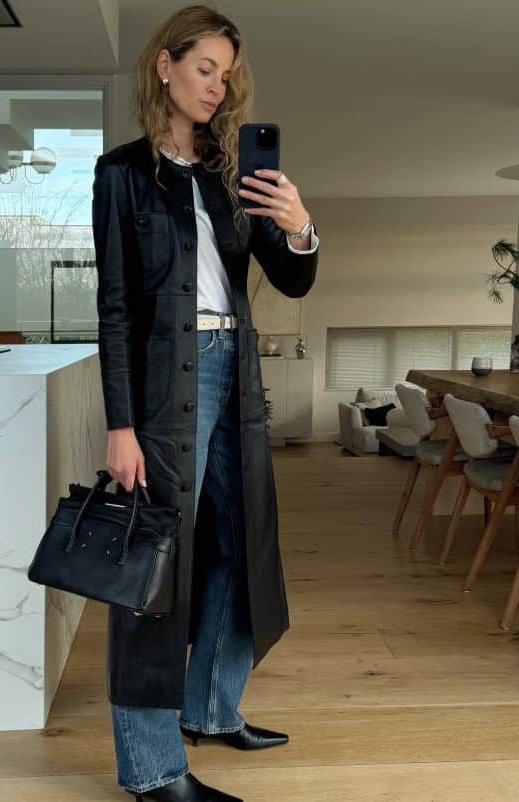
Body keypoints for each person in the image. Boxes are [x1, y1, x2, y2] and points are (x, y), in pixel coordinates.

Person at [91, 5, 319, 801]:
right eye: (203, 68)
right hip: (163, 386)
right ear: (165, 66)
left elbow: (290, 279)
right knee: (152, 566)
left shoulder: (233, 174)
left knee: (239, 543)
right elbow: (114, 308)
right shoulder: (121, 174)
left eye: (226, 75)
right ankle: (151, 769)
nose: (217, 87)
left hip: (236, 371)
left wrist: (297, 226)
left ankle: (212, 709)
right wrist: (120, 424)